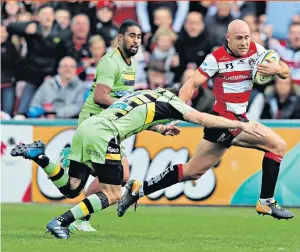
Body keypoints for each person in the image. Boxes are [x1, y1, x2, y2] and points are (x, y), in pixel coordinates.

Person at [11, 88, 264, 239]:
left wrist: (161, 128)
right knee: (112, 193)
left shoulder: (147, 92)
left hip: (87, 127)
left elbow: (136, 114)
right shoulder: (175, 104)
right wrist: (240, 124)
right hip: (105, 134)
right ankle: (61, 221)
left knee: (72, 187)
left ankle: (41, 157)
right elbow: (201, 118)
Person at [117, 19, 295, 220]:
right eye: (239, 38)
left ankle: (138, 191)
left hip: (232, 122)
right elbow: (191, 84)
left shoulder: (257, 51)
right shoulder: (216, 58)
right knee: (277, 145)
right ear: (228, 38)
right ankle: (266, 202)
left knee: (192, 171)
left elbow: (285, 70)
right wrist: (177, 111)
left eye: (247, 37)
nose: (244, 42)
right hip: (224, 121)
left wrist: (278, 70)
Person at [68, 19, 142, 231]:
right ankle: (79, 218)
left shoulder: (133, 64)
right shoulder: (110, 62)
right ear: (120, 38)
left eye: (138, 37)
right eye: (131, 36)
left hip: (111, 125)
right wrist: (129, 108)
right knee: (115, 177)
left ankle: (79, 217)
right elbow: (101, 97)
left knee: (121, 176)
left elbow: (122, 97)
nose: (135, 40)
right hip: (95, 122)